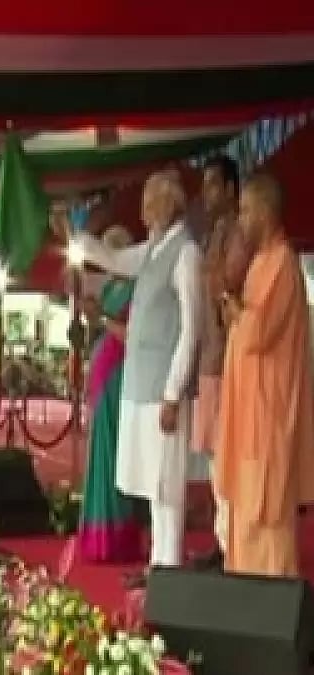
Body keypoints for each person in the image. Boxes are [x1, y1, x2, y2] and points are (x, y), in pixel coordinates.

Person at [54, 169, 201, 586]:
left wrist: (174, 392)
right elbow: (115, 259)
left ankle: (169, 572)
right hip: (141, 384)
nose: (143, 210)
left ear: (168, 205)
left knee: (167, 486)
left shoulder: (186, 253)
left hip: (163, 390)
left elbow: (191, 327)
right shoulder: (155, 248)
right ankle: (159, 567)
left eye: (149, 202)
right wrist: (75, 239)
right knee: (153, 484)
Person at [215, 173, 314, 577]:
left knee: (267, 509)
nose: (240, 221)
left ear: (263, 213)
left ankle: (271, 598)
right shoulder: (261, 262)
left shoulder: (283, 263)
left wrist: (236, 309)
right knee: (245, 506)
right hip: (249, 409)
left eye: (245, 212)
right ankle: (244, 587)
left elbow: (257, 331)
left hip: (269, 413)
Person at [77, 225, 143, 563]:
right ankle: (99, 534)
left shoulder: (134, 289)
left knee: (113, 454)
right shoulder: (113, 287)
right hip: (103, 373)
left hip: (117, 375)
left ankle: (115, 536)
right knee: (100, 454)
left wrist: (101, 317)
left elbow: (129, 335)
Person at [188, 155, 241, 571]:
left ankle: (230, 547)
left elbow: (232, 293)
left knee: (224, 459)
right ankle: (223, 542)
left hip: (225, 363)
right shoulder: (212, 236)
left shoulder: (235, 236)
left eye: (212, 186)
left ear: (230, 190)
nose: (205, 194)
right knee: (213, 460)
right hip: (209, 362)